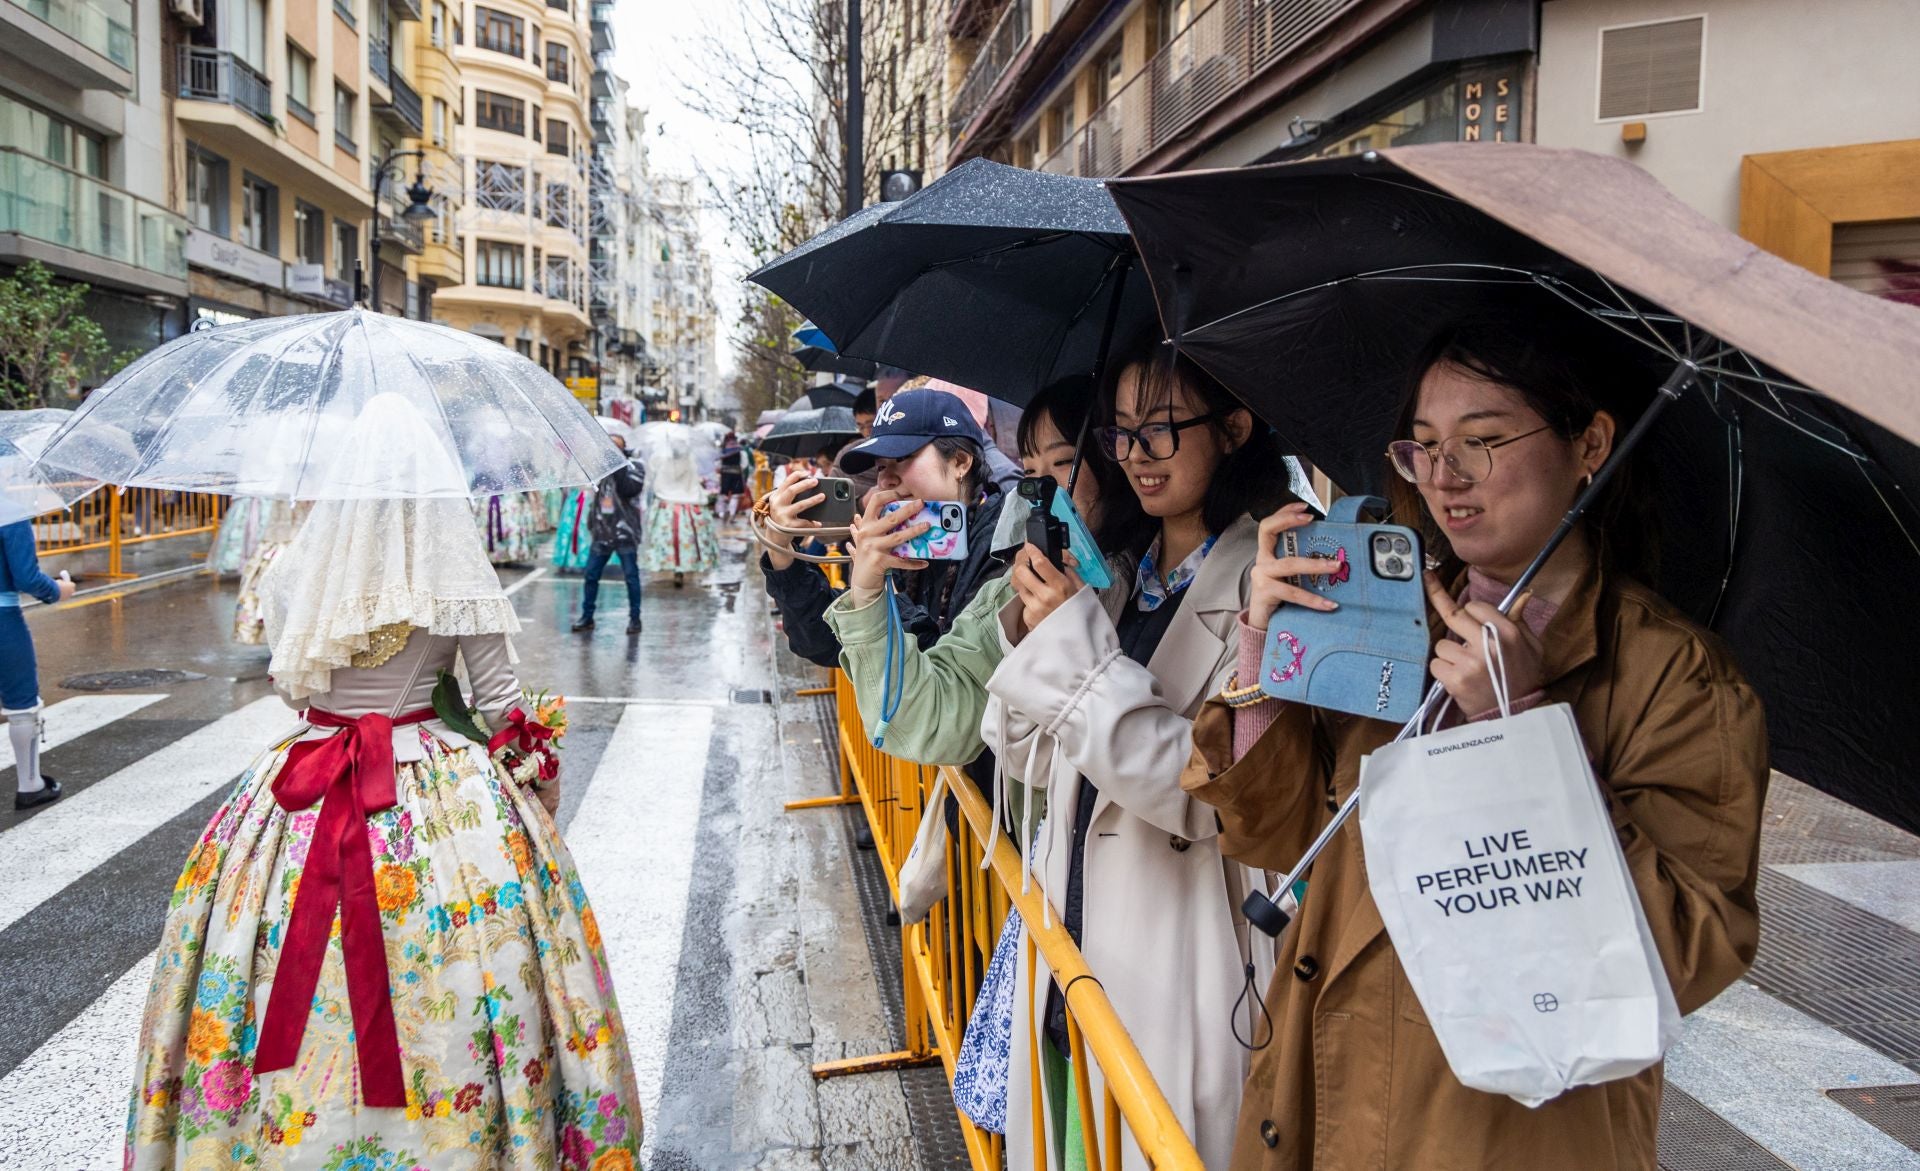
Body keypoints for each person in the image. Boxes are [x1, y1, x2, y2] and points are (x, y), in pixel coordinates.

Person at [1183, 321, 1768, 1169]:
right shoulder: (1389, 613)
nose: (1444, 477)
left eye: (1483, 441)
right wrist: (1263, 651)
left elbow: (1681, 953)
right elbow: (1276, 833)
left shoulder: (1677, 680)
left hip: (1498, 1133)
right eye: (1422, 447)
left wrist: (1522, 737)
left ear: (1590, 444)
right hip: (1323, 1101)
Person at [125, 399, 642, 1168]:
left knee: (255, 964)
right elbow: (500, 702)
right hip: (443, 800)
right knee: (473, 976)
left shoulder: (300, 563)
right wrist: (537, 785)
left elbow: (294, 693)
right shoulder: (451, 562)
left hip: (301, 787)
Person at [980, 343, 1302, 1171]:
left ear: (1234, 427)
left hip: (1182, 959)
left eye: (1159, 431)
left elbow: (1207, 795)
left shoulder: (1270, 583)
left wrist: (1076, 656)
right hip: (1072, 955)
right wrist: (1031, 628)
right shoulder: (1121, 574)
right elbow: (1020, 754)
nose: (1134, 457)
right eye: (1120, 435)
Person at [758, 387, 1010, 671]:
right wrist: (782, 554)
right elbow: (828, 643)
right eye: (880, 467)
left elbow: (946, 675)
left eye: (902, 459)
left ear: (960, 462)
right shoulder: (907, 540)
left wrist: (872, 598)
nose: (887, 480)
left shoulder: (1004, 544)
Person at [2, 517, 76, 810]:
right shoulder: (8, 512)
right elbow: (26, 577)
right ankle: (30, 784)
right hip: (3, 620)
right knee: (22, 704)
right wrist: (60, 589)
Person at [572, 432, 647, 635]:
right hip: (602, 531)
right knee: (591, 575)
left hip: (626, 532)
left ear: (624, 449)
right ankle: (587, 617)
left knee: (631, 576)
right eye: (608, 446)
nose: (611, 450)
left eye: (616, 447)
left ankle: (635, 619)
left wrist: (618, 465)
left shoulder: (635, 467)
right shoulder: (599, 469)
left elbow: (629, 489)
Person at [641, 425, 719, 588]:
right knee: (688, 539)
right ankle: (684, 568)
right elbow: (694, 480)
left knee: (667, 540)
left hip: (666, 507)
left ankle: (670, 566)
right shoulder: (689, 459)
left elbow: (651, 479)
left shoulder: (658, 458)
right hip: (689, 506)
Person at [716, 431, 747, 523]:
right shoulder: (740, 450)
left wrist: (721, 469)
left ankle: (722, 512)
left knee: (724, 494)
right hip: (736, 474)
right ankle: (732, 513)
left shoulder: (723, 450)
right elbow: (744, 464)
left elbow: (718, 463)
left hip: (725, 474)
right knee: (735, 495)